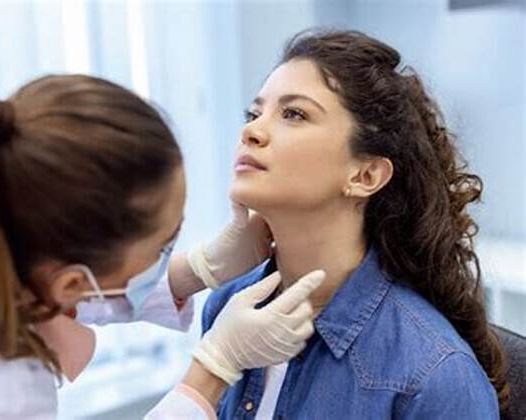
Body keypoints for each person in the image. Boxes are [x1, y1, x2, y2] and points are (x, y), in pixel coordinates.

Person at [0, 74, 324, 419]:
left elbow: (37, 286)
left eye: (295, 113)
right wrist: (212, 370)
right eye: (161, 247)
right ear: (71, 282)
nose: (251, 130)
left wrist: (194, 270)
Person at [202, 29, 507, 419]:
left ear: (365, 175)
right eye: (254, 113)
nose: (251, 131)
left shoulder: (435, 377)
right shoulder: (226, 308)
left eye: (294, 114)